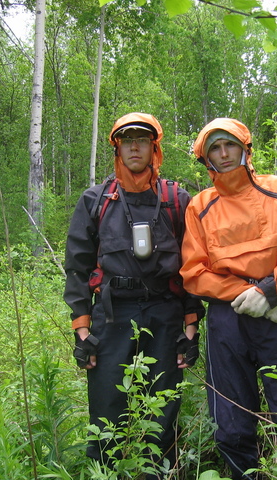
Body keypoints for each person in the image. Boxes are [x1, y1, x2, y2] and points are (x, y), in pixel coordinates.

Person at [180, 118, 277, 480]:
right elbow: (193, 273)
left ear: (246, 148)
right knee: (230, 421)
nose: (224, 153)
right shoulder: (199, 206)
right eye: (215, 147)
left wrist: (270, 291)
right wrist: (247, 294)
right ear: (205, 157)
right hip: (230, 319)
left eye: (230, 144)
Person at [64, 112, 204, 477]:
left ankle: (159, 473)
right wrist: (82, 331)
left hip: (165, 314)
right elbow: (77, 269)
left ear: (154, 148)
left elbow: (192, 267)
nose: (135, 147)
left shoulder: (177, 199)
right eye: (128, 141)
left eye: (142, 140)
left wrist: (191, 328)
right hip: (112, 316)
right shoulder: (96, 201)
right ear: (117, 148)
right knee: (107, 411)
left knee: (162, 413)